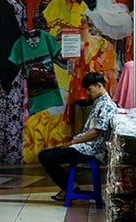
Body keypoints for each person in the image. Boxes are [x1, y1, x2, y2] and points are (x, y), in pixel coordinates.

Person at [39, 71, 118, 202]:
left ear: (99, 85)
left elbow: (96, 132)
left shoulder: (107, 106)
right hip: (84, 146)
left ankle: (69, 187)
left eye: (90, 89)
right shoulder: (98, 103)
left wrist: (74, 141)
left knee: (46, 157)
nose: (88, 92)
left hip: (91, 150)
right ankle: (68, 186)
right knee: (47, 154)